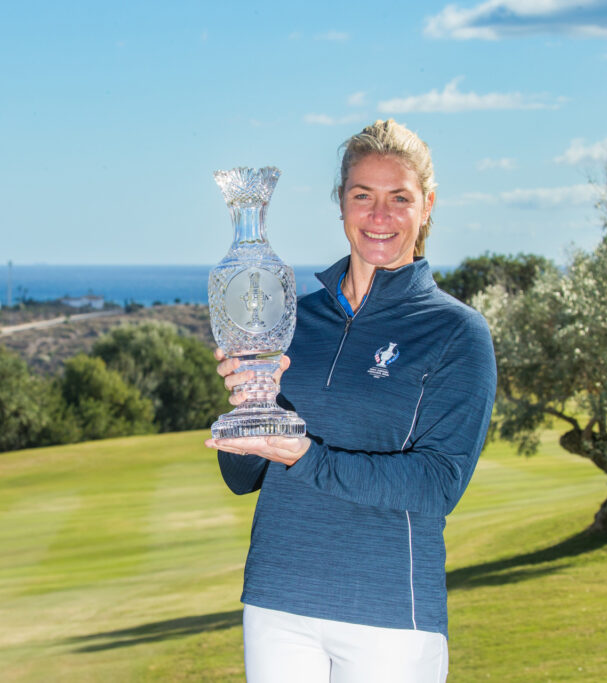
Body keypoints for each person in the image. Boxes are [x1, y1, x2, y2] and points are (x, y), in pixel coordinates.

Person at [204, 119, 496, 683]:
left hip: (389, 615)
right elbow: (242, 478)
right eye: (363, 196)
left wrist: (306, 457)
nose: (379, 216)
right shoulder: (293, 317)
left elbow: (438, 484)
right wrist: (248, 406)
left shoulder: (456, 331)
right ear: (341, 202)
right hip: (277, 600)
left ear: (427, 205)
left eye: (399, 199)